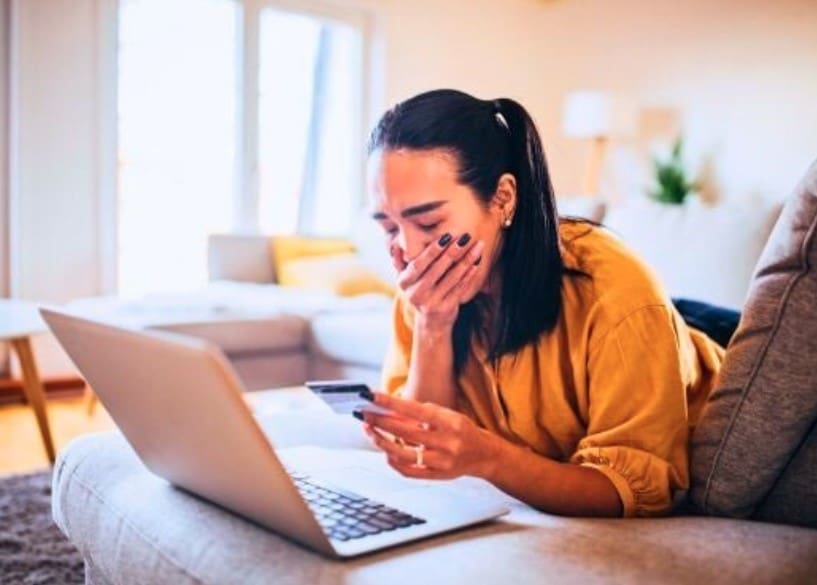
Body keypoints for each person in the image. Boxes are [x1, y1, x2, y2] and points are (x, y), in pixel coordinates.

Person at [359, 89, 724, 518]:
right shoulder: (420, 289)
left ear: (503, 199)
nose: (408, 249)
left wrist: (490, 457)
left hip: (699, 349)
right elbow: (420, 442)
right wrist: (432, 326)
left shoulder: (613, 289)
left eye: (428, 222)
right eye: (388, 228)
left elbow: (635, 491)